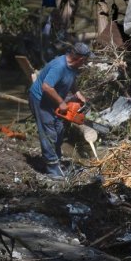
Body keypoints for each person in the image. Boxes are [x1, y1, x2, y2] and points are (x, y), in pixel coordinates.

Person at [28, 42, 92, 179]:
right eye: (85, 60)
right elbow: (46, 87)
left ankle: (55, 160)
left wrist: (77, 93)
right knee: (48, 132)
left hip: (52, 101)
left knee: (59, 130)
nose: (85, 63)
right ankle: (52, 167)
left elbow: (71, 80)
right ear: (80, 58)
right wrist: (61, 102)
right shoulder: (59, 66)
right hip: (40, 100)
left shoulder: (73, 66)